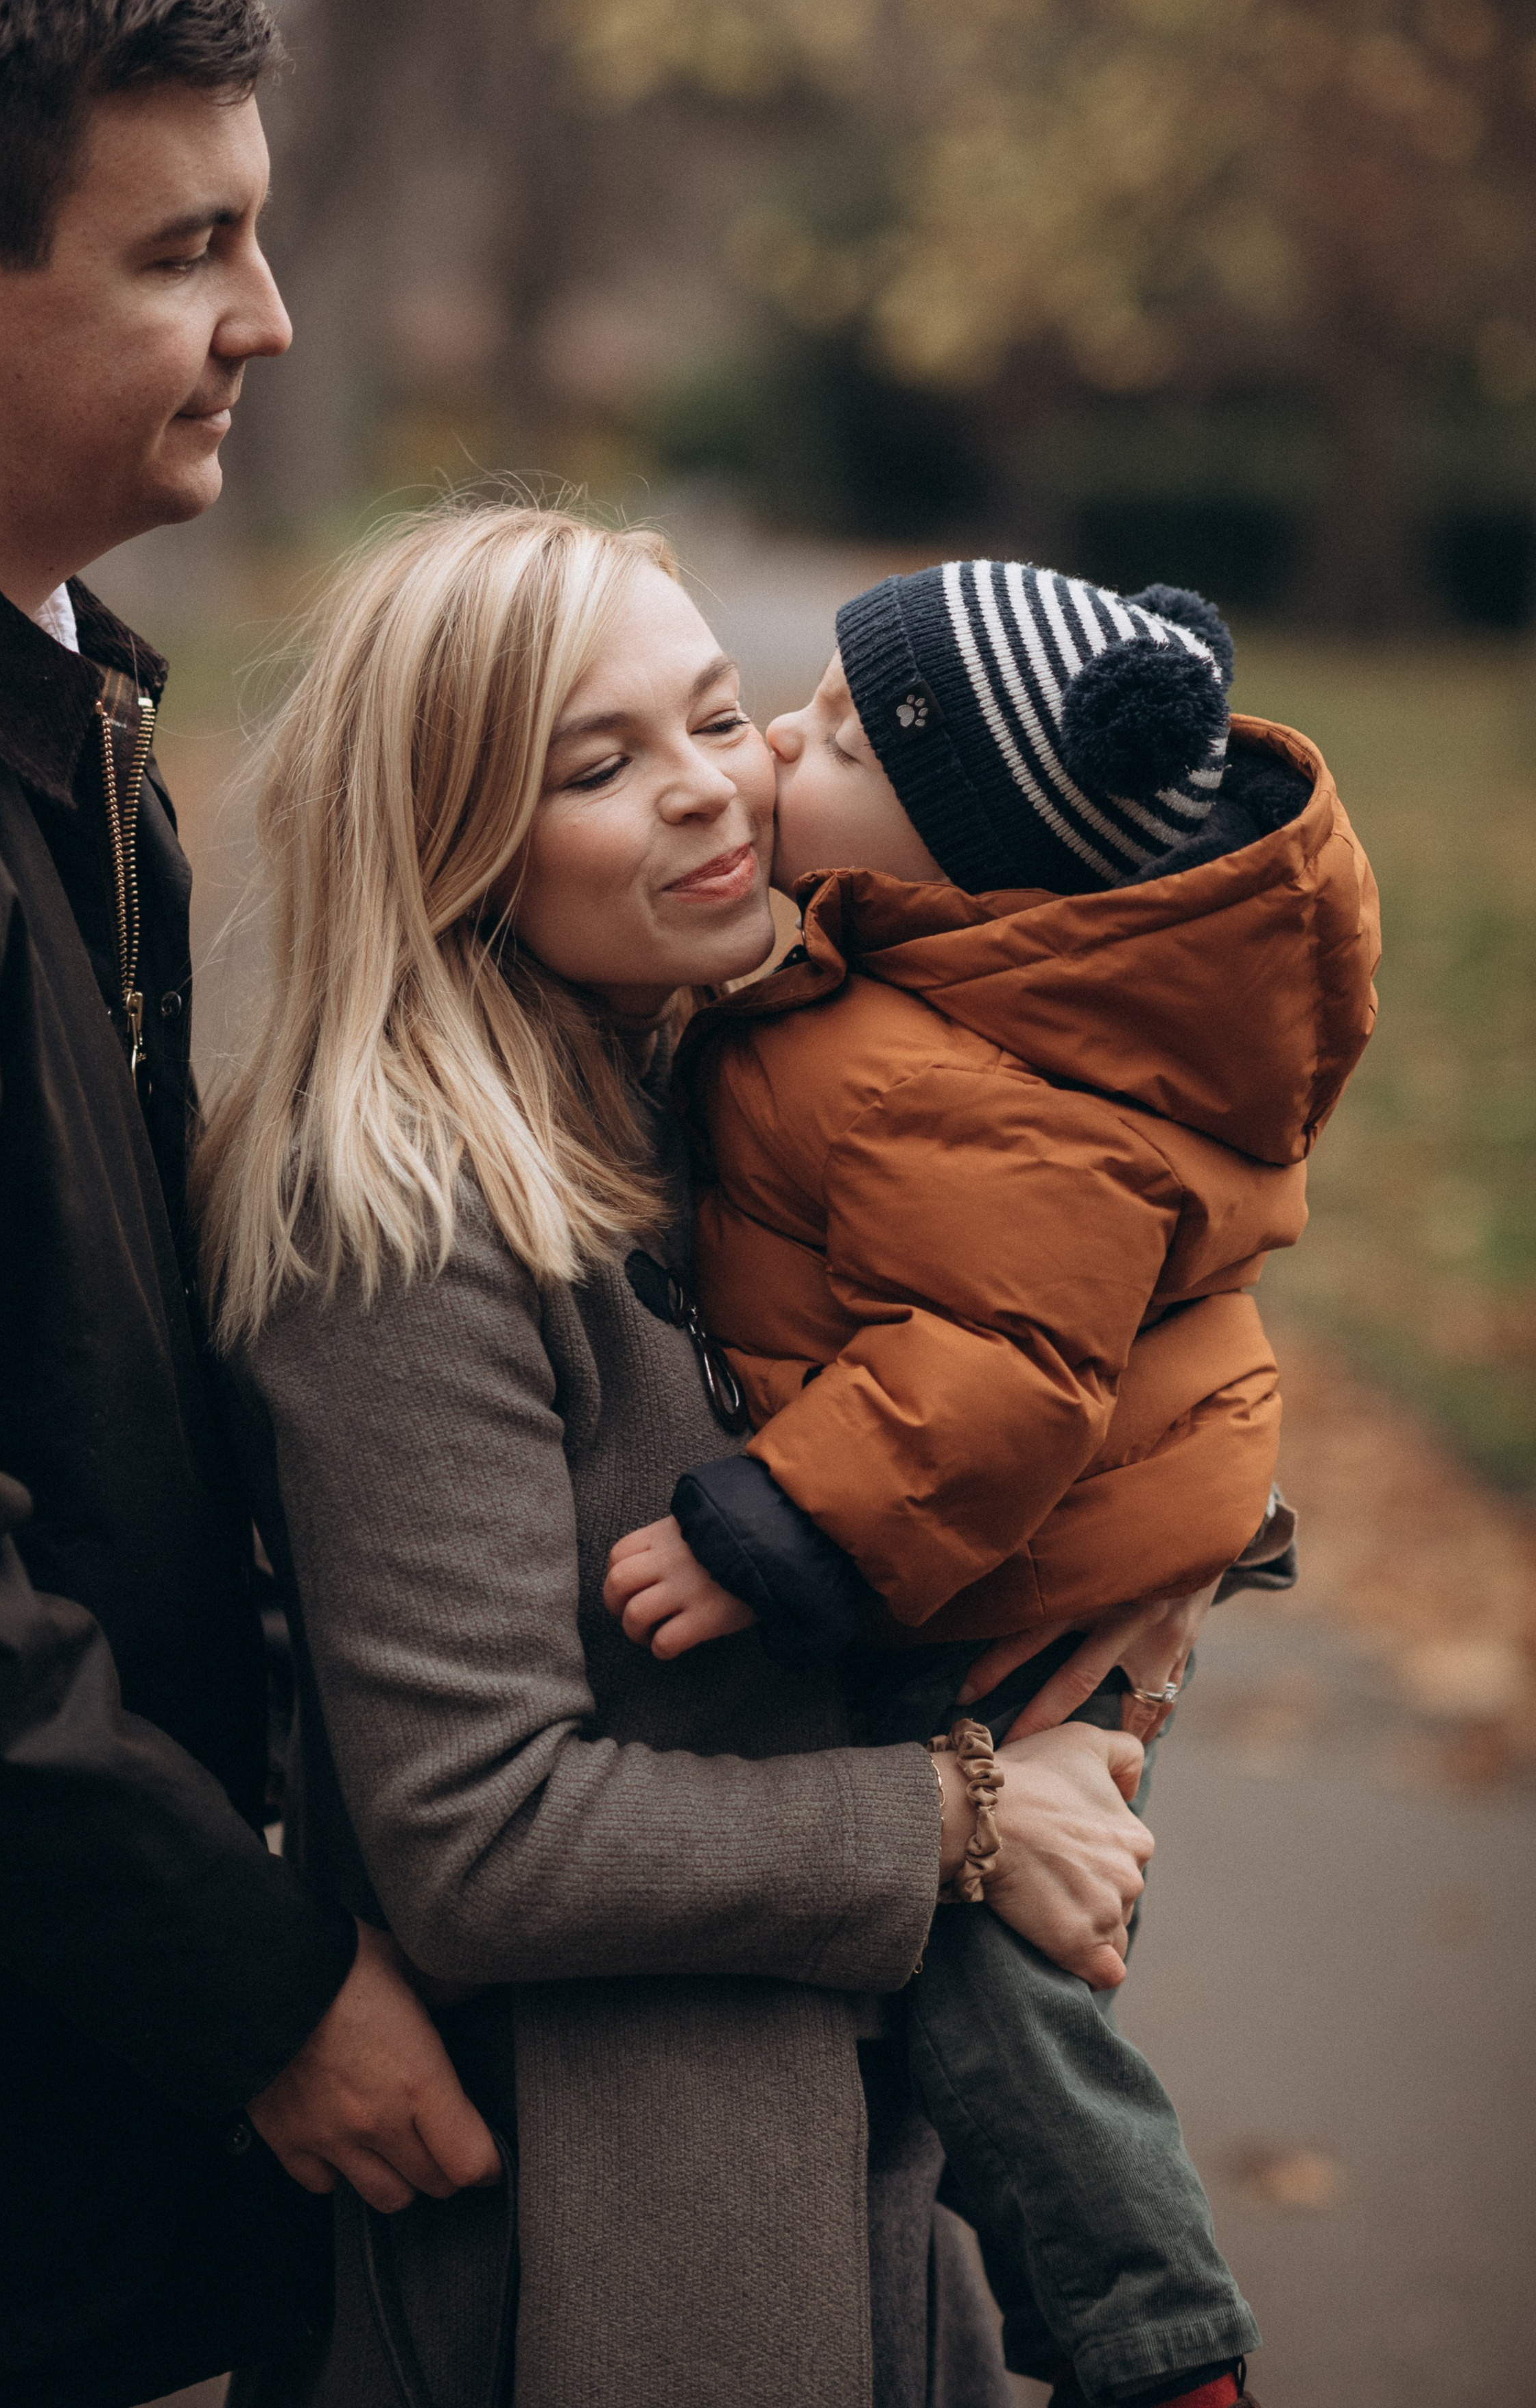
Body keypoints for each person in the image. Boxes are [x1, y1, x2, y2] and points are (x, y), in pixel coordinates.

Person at [196, 502, 1165, 2408]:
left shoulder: (725, 1087)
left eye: (719, 719)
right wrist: (961, 1822)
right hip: (607, 2231)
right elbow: (477, 1833)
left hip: (849, 2157)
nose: (716, 793)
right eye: (603, 764)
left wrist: (1182, 1554)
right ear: (459, 836)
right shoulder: (394, 1219)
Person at [0, 0, 496, 2408]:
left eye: (262, 236)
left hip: (36, 2089)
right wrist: (270, 1993)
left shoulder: (28, 699)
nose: (268, 323)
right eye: (191, 250)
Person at [602, 559, 1381, 2408]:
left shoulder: (967, 1082)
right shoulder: (932, 975)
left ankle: (1152, 2339)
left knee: (993, 1974)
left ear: (976, 849)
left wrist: (775, 1529)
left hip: (1013, 1580)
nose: (781, 746)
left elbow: (998, 1381)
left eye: (841, 739)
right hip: (1027, 1551)